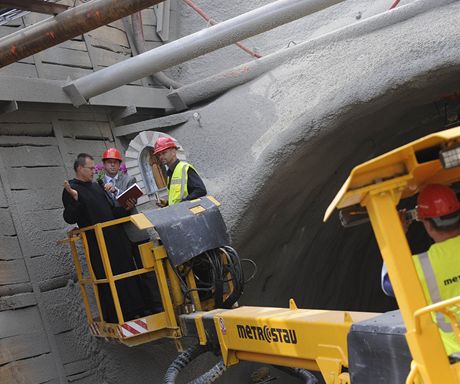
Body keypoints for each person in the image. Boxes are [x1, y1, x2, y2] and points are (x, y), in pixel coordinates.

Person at [62, 153, 152, 323]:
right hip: (98, 243)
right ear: (80, 168)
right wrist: (75, 199)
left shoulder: (97, 186)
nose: (94, 172)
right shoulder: (72, 189)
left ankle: (137, 310)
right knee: (108, 278)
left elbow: (112, 212)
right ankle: (117, 316)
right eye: (90, 169)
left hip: (117, 239)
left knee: (127, 274)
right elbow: (70, 218)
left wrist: (127, 204)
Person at [381, 184, 460, 357]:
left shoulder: (422, 266)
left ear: (427, 224)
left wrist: (396, 235)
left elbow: (388, 284)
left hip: (453, 364)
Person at [153, 137, 207, 206]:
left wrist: (183, 204)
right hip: (179, 214)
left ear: (173, 152)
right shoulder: (169, 174)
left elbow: (201, 190)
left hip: (188, 213)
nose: (161, 157)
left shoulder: (185, 168)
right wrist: (167, 204)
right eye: (159, 155)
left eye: (163, 153)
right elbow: (176, 199)